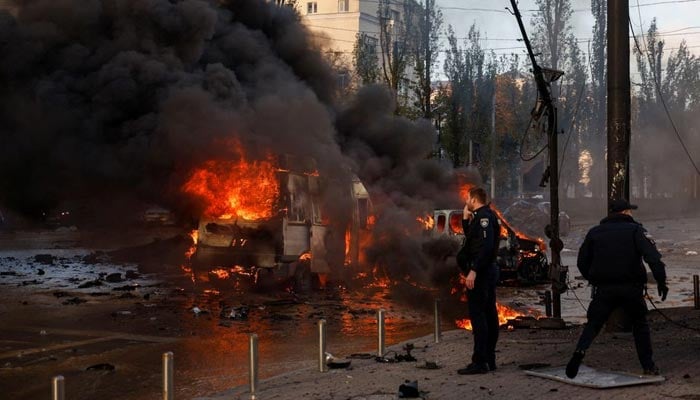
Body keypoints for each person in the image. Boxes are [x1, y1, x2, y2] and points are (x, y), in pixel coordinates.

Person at [566, 199, 669, 378]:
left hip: (604, 289)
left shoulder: (594, 233)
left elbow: (582, 262)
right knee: (640, 325)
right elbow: (653, 259)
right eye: (630, 211)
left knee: (594, 324)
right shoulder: (637, 231)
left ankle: (580, 351)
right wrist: (661, 282)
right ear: (625, 212)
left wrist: (594, 278)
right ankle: (648, 366)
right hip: (631, 289)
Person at [456, 187, 500, 375]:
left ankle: (480, 361)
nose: (466, 200)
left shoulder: (484, 218)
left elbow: (485, 246)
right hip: (486, 272)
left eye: (467, 197)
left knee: (480, 317)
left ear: (473, 199)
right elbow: (473, 241)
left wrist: (473, 271)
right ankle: (489, 359)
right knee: (489, 314)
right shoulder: (484, 216)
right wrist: (465, 219)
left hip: (481, 273)